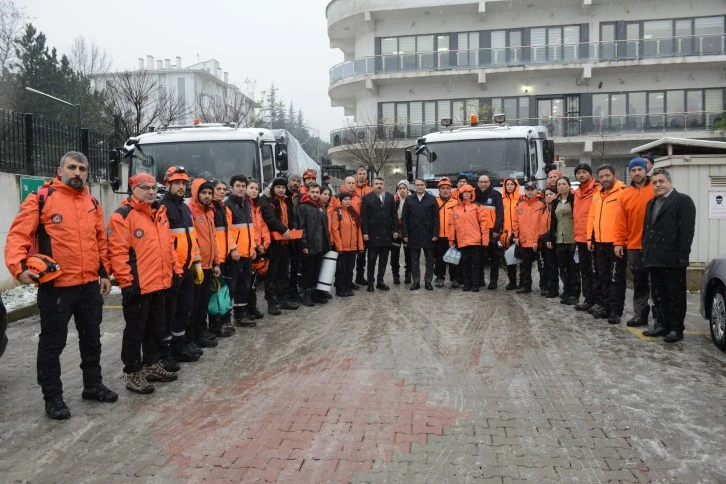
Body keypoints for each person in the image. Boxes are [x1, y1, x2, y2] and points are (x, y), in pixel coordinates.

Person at [5, 151, 117, 419]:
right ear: (60, 170)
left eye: (82, 169)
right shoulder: (41, 199)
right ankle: (53, 398)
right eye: (72, 167)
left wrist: (104, 273)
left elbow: (100, 241)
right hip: (57, 286)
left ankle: (92, 385)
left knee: (92, 340)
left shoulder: (92, 202)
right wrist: (18, 268)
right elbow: (18, 235)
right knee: (52, 345)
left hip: (89, 285)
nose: (77, 173)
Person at [107, 173, 181, 394]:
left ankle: (151, 364)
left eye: (152, 187)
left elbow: (167, 246)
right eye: (144, 187)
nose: (150, 191)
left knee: (156, 329)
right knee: (135, 331)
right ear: (133, 190)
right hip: (138, 285)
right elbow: (117, 252)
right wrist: (126, 282)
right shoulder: (123, 215)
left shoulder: (160, 213)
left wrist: (175, 270)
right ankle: (133, 372)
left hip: (160, 282)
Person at [642, 169, 696, 342]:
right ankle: (662, 324)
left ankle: (676, 328)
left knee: (676, 295)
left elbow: (687, 231)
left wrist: (682, 256)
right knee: (659, 294)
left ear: (669, 182)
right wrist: (646, 250)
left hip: (673, 259)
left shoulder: (682, 201)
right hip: (654, 258)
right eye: (655, 182)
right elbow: (648, 229)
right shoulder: (651, 203)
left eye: (661, 181)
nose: (658, 185)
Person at [613, 158, 656, 327]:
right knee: (639, 283)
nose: (637, 173)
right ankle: (640, 314)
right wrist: (618, 242)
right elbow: (621, 222)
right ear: (629, 173)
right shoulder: (625, 194)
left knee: (658, 284)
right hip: (634, 246)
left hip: (656, 246)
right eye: (633, 170)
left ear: (646, 170)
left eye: (640, 169)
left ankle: (660, 317)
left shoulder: (655, 189)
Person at [586, 165, 627, 324]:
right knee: (603, 277)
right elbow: (592, 218)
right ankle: (606, 307)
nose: (604, 179)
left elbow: (625, 219)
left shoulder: (623, 192)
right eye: (601, 176)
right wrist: (590, 239)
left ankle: (616, 310)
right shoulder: (597, 195)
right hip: (600, 244)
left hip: (616, 244)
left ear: (614, 175)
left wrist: (622, 242)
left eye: (607, 175)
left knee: (616, 278)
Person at [188, 179, 222, 347]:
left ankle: (201, 330)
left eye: (209, 193)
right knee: (193, 304)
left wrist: (217, 262)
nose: (207, 196)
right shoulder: (191, 212)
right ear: (196, 193)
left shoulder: (210, 212)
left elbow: (213, 239)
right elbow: (192, 240)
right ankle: (193, 335)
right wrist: (196, 263)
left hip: (208, 265)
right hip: (197, 266)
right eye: (204, 193)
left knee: (203, 302)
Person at [261, 177, 300, 315]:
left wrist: (293, 228)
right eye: (278, 187)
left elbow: (292, 218)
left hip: (286, 242)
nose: (281, 190)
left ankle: (283, 299)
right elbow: (270, 219)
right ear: (273, 188)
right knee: (272, 273)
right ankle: (271, 301)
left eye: (283, 187)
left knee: (284, 272)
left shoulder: (287, 201)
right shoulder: (267, 201)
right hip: (273, 243)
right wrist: (284, 230)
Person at [225, 175, 257, 327]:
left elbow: (250, 230)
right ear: (231, 188)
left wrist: (253, 248)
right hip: (236, 255)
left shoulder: (247, 205)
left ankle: (240, 315)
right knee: (232, 287)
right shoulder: (228, 205)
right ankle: (225, 319)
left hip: (247, 253)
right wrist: (233, 249)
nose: (241, 188)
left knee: (244, 285)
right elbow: (228, 231)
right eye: (238, 186)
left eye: (243, 186)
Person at [360, 176, 398, 291]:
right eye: (376, 183)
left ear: (384, 185)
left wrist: (395, 230)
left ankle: (380, 281)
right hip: (372, 234)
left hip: (386, 234)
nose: (379, 185)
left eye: (381, 183)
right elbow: (364, 217)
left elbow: (394, 215)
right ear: (373, 185)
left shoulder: (390, 197)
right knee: (371, 260)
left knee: (383, 260)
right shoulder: (367, 198)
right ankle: (371, 282)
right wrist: (365, 232)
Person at [448, 184, 489, 291]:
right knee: (464, 263)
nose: (466, 194)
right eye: (464, 192)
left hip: (475, 241)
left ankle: (475, 284)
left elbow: (484, 224)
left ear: (472, 193)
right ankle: (467, 283)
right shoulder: (455, 209)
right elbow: (452, 225)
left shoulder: (477, 207)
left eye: (468, 192)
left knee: (475, 263)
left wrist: (485, 240)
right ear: (460, 194)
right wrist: (451, 239)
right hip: (462, 240)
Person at [297, 183, 332, 306]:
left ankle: (315, 294)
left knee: (317, 270)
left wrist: (327, 242)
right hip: (310, 245)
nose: (315, 194)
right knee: (308, 271)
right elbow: (302, 227)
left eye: (317, 192)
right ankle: (306, 294)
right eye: (313, 192)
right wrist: (304, 244)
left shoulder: (320, 206)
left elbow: (325, 226)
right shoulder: (303, 207)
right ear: (308, 192)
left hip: (320, 244)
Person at [402, 178, 440, 291]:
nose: (419, 187)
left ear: (425, 185)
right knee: (414, 260)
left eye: (421, 185)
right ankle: (416, 282)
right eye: (417, 185)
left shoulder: (432, 199)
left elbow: (436, 218)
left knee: (429, 260)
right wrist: (405, 234)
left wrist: (435, 233)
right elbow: (404, 218)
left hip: (428, 234)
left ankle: (428, 281)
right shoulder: (409, 199)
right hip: (413, 234)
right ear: (414, 186)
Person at [209, 180, 235, 338]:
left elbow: (228, 232)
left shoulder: (222, 207)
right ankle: (215, 324)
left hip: (224, 256)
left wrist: (231, 249)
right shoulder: (211, 209)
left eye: (224, 189)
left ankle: (225, 321)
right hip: (216, 258)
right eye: (218, 189)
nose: (222, 191)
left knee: (224, 292)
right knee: (215, 292)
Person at [572, 163, 600, 312]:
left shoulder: (597, 189)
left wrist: (593, 237)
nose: (581, 175)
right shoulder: (577, 192)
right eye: (578, 173)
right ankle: (588, 299)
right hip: (580, 238)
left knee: (596, 271)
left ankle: (598, 300)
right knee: (585, 271)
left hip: (594, 238)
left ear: (590, 174)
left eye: (584, 172)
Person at [547, 177, 578, 305]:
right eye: (559, 184)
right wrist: (550, 237)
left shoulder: (575, 199)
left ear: (569, 185)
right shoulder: (556, 202)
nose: (561, 186)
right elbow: (553, 221)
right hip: (560, 238)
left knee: (573, 268)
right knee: (563, 267)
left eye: (564, 184)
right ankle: (566, 290)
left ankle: (574, 293)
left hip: (573, 238)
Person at [514, 181, 548, 294]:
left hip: (537, 242)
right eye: (527, 189)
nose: (529, 191)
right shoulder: (519, 204)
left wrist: (536, 239)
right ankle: (526, 285)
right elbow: (516, 222)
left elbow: (542, 224)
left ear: (536, 190)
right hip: (523, 240)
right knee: (525, 266)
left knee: (542, 266)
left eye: (532, 189)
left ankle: (544, 287)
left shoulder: (542, 204)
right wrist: (516, 236)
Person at [330, 192, 364, 297]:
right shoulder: (337, 213)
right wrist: (339, 247)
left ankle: (348, 287)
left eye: (349, 199)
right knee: (341, 269)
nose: (347, 201)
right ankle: (340, 289)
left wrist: (360, 246)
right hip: (342, 248)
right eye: (345, 199)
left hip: (352, 247)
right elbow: (334, 230)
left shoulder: (353, 213)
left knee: (350, 269)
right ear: (341, 201)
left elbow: (358, 231)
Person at [247, 179, 271, 319]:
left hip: (258, 248)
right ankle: (247, 308)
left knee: (254, 282)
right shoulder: (245, 207)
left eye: (256, 188)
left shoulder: (257, 207)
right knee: (248, 282)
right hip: (251, 248)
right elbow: (250, 230)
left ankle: (252, 306)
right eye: (252, 188)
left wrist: (265, 243)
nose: (255, 190)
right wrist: (257, 244)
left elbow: (262, 227)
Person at [475, 175, 504, 289]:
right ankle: (480, 280)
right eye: (481, 182)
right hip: (478, 230)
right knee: (479, 257)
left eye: (485, 182)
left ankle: (493, 281)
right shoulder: (473, 195)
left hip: (492, 230)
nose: (483, 184)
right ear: (478, 183)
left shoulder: (496, 195)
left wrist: (497, 229)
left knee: (494, 257)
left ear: (489, 182)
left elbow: (500, 213)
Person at [433, 178, 459, 288]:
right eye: (442, 188)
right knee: (439, 259)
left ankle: (454, 278)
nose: (445, 190)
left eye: (447, 188)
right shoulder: (434, 202)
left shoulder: (456, 202)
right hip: (439, 236)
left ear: (450, 189)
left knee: (453, 259)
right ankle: (440, 277)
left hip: (451, 236)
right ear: (439, 190)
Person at [501, 177, 521, 290]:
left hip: (519, 234)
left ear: (515, 186)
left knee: (522, 260)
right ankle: (512, 282)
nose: (509, 186)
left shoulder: (521, 199)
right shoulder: (501, 200)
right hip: (506, 234)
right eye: (507, 184)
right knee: (509, 260)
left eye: (511, 184)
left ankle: (523, 281)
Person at [391, 180, 411, 285]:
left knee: (409, 254)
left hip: (408, 230)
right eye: (400, 188)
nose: (402, 190)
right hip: (397, 230)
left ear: (408, 189)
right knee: (395, 254)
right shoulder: (394, 199)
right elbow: (391, 216)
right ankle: (396, 275)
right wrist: (394, 230)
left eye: (404, 188)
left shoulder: (412, 199)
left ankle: (408, 274)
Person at [540, 187, 559, 298]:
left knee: (554, 266)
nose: (548, 196)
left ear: (556, 195)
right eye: (546, 195)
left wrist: (550, 237)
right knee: (548, 266)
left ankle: (554, 289)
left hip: (554, 240)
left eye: (551, 194)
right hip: (545, 241)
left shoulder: (556, 207)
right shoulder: (545, 208)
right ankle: (551, 287)